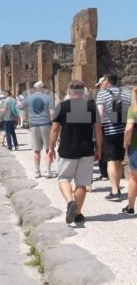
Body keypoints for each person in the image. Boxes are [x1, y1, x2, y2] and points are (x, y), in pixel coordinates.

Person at [48, 81, 102, 224]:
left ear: (69, 92)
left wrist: (50, 148)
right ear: (83, 92)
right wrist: (99, 148)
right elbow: (98, 130)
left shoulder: (62, 107)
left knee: (64, 178)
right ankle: (77, 213)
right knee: (82, 183)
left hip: (67, 149)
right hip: (86, 149)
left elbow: (54, 130)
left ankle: (70, 202)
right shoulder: (91, 107)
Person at [96, 72, 131, 201]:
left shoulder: (102, 94)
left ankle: (115, 191)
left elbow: (99, 114)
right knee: (118, 160)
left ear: (106, 80)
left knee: (110, 160)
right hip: (124, 131)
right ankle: (117, 187)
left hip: (109, 132)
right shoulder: (127, 93)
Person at [18, 81, 54, 178]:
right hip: (46, 124)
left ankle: (37, 172)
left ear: (34, 89)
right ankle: (47, 171)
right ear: (42, 88)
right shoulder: (48, 98)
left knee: (36, 150)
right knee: (48, 149)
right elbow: (52, 113)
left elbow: (19, 106)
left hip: (33, 125)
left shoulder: (29, 98)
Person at [122, 85, 137, 215]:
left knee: (133, 178)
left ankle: (130, 207)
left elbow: (128, 129)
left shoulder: (133, 109)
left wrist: (125, 143)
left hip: (136, 147)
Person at [94, 77, 109, 181]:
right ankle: (104, 172)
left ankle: (104, 173)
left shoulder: (97, 95)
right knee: (102, 148)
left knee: (102, 148)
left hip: (102, 125)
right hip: (106, 125)